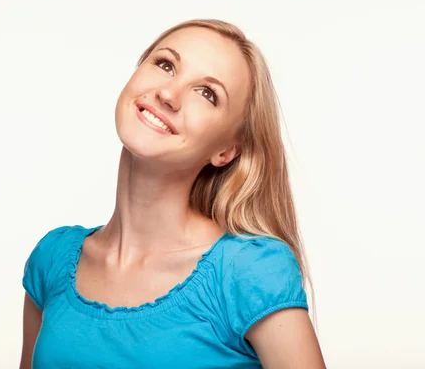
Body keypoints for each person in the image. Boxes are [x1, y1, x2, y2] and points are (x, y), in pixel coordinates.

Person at [19, 19, 327, 368]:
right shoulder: (52, 260)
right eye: (165, 65)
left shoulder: (248, 271)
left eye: (207, 93)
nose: (168, 93)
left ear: (226, 150)